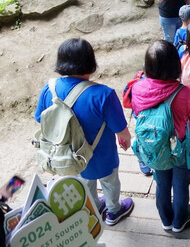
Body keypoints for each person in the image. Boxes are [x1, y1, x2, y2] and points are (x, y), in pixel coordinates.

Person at [35, 38, 134, 226]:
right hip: (102, 155)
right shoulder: (104, 94)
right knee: (110, 182)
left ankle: (94, 206)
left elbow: (40, 118)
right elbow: (120, 128)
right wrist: (126, 139)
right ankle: (113, 211)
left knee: (84, 180)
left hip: (69, 155)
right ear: (90, 63)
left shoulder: (49, 89)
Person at [131, 40, 190, 233]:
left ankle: (166, 220)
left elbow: (137, 112)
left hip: (154, 145)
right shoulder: (185, 92)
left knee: (161, 183)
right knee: (180, 185)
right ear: (175, 65)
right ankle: (179, 221)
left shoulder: (138, 88)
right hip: (181, 146)